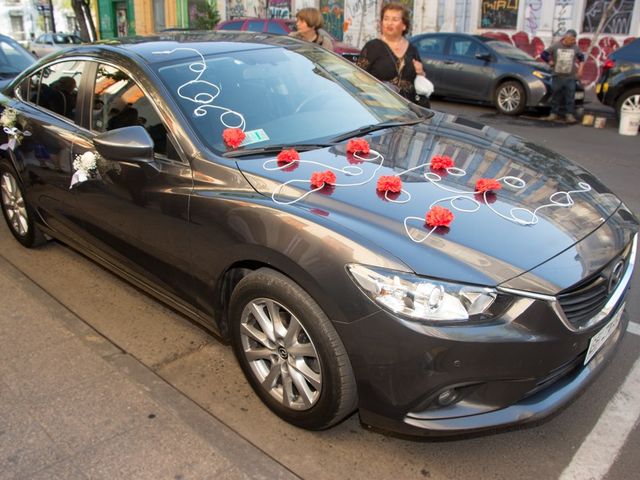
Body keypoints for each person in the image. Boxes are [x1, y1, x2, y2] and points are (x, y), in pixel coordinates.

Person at [356, 2, 429, 107]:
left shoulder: (412, 50)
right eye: (386, 19)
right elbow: (358, 78)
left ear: (404, 25)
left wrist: (420, 72)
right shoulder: (372, 47)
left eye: (394, 19)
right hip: (380, 109)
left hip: (408, 111)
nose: (389, 23)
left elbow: (420, 82)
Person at [540, 29, 585, 124]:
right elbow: (543, 54)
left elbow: (581, 58)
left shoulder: (575, 48)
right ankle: (553, 113)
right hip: (557, 75)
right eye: (572, 40)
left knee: (570, 96)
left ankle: (569, 114)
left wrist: (580, 69)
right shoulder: (556, 46)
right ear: (566, 37)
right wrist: (550, 61)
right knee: (556, 95)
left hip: (570, 76)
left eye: (574, 40)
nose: (573, 42)